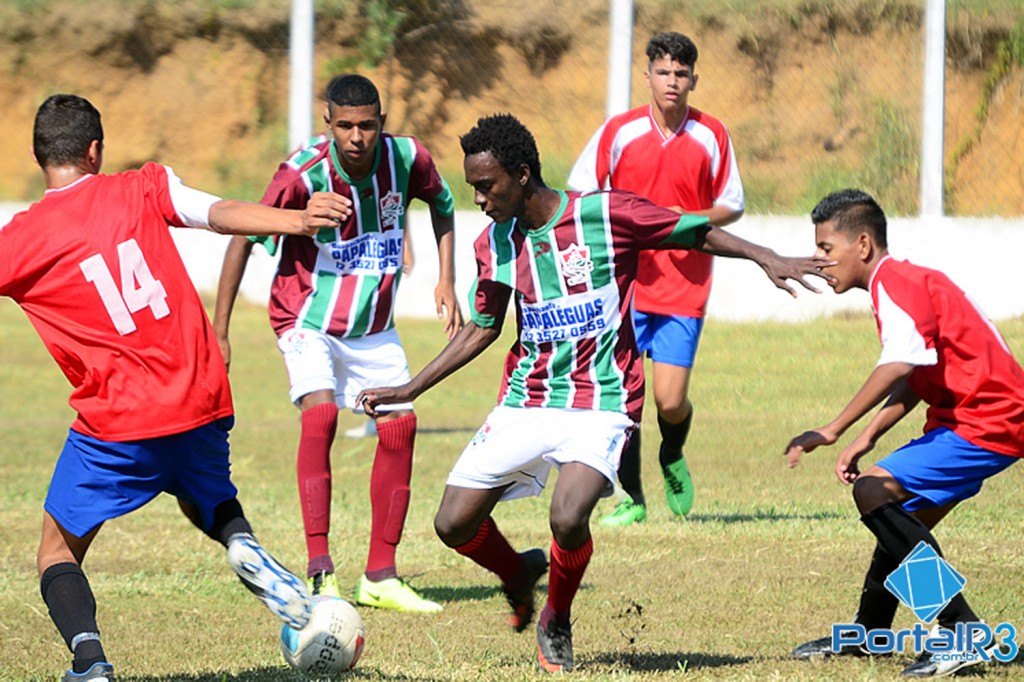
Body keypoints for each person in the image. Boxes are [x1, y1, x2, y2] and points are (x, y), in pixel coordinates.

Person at [359, 113, 830, 673]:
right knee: (452, 524)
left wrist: (765, 256)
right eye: (473, 189)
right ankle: (516, 572)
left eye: (487, 187)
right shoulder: (494, 244)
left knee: (569, 512)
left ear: (523, 174)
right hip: (528, 398)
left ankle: (556, 618)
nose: (480, 200)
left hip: (602, 399)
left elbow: (692, 229)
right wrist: (410, 388)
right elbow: (483, 327)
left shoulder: (604, 213)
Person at [0, 94, 353, 682]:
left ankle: (90, 663)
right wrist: (295, 220)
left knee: (56, 551)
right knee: (207, 500)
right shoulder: (141, 187)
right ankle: (243, 545)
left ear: (41, 156)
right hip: (200, 397)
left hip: (117, 421)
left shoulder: (20, 240)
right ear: (95, 150)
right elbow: (215, 213)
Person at [214, 74, 462, 613]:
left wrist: (447, 277)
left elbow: (442, 204)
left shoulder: (408, 159)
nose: (356, 137)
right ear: (328, 123)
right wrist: (221, 329)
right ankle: (321, 569)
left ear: (382, 124)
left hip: (373, 325)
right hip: (306, 316)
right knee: (321, 416)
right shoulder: (302, 172)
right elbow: (243, 235)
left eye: (367, 126)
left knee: (400, 425)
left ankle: (380, 576)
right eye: (345, 125)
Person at [785, 189, 1024, 678]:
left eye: (826, 250)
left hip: (989, 418)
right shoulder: (904, 281)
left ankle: (961, 633)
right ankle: (869, 635)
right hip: (975, 417)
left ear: (864, 245)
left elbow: (898, 362)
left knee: (874, 492)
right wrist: (868, 437)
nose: (818, 260)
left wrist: (833, 429)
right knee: (898, 519)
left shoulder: (895, 285)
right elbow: (920, 369)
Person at [568, 32, 745, 526]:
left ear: (693, 79)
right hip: (624, 284)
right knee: (626, 397)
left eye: (681, 73)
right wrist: (620, 226)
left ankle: (672, 453)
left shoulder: (712, 134)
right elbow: (580, 190)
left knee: (669, 400)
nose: (672, 81)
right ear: (647, 76)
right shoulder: (619, 131)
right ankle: (633, 497)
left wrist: (685, 219)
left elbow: (732, 204)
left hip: (684, 285)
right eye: (663, 72)